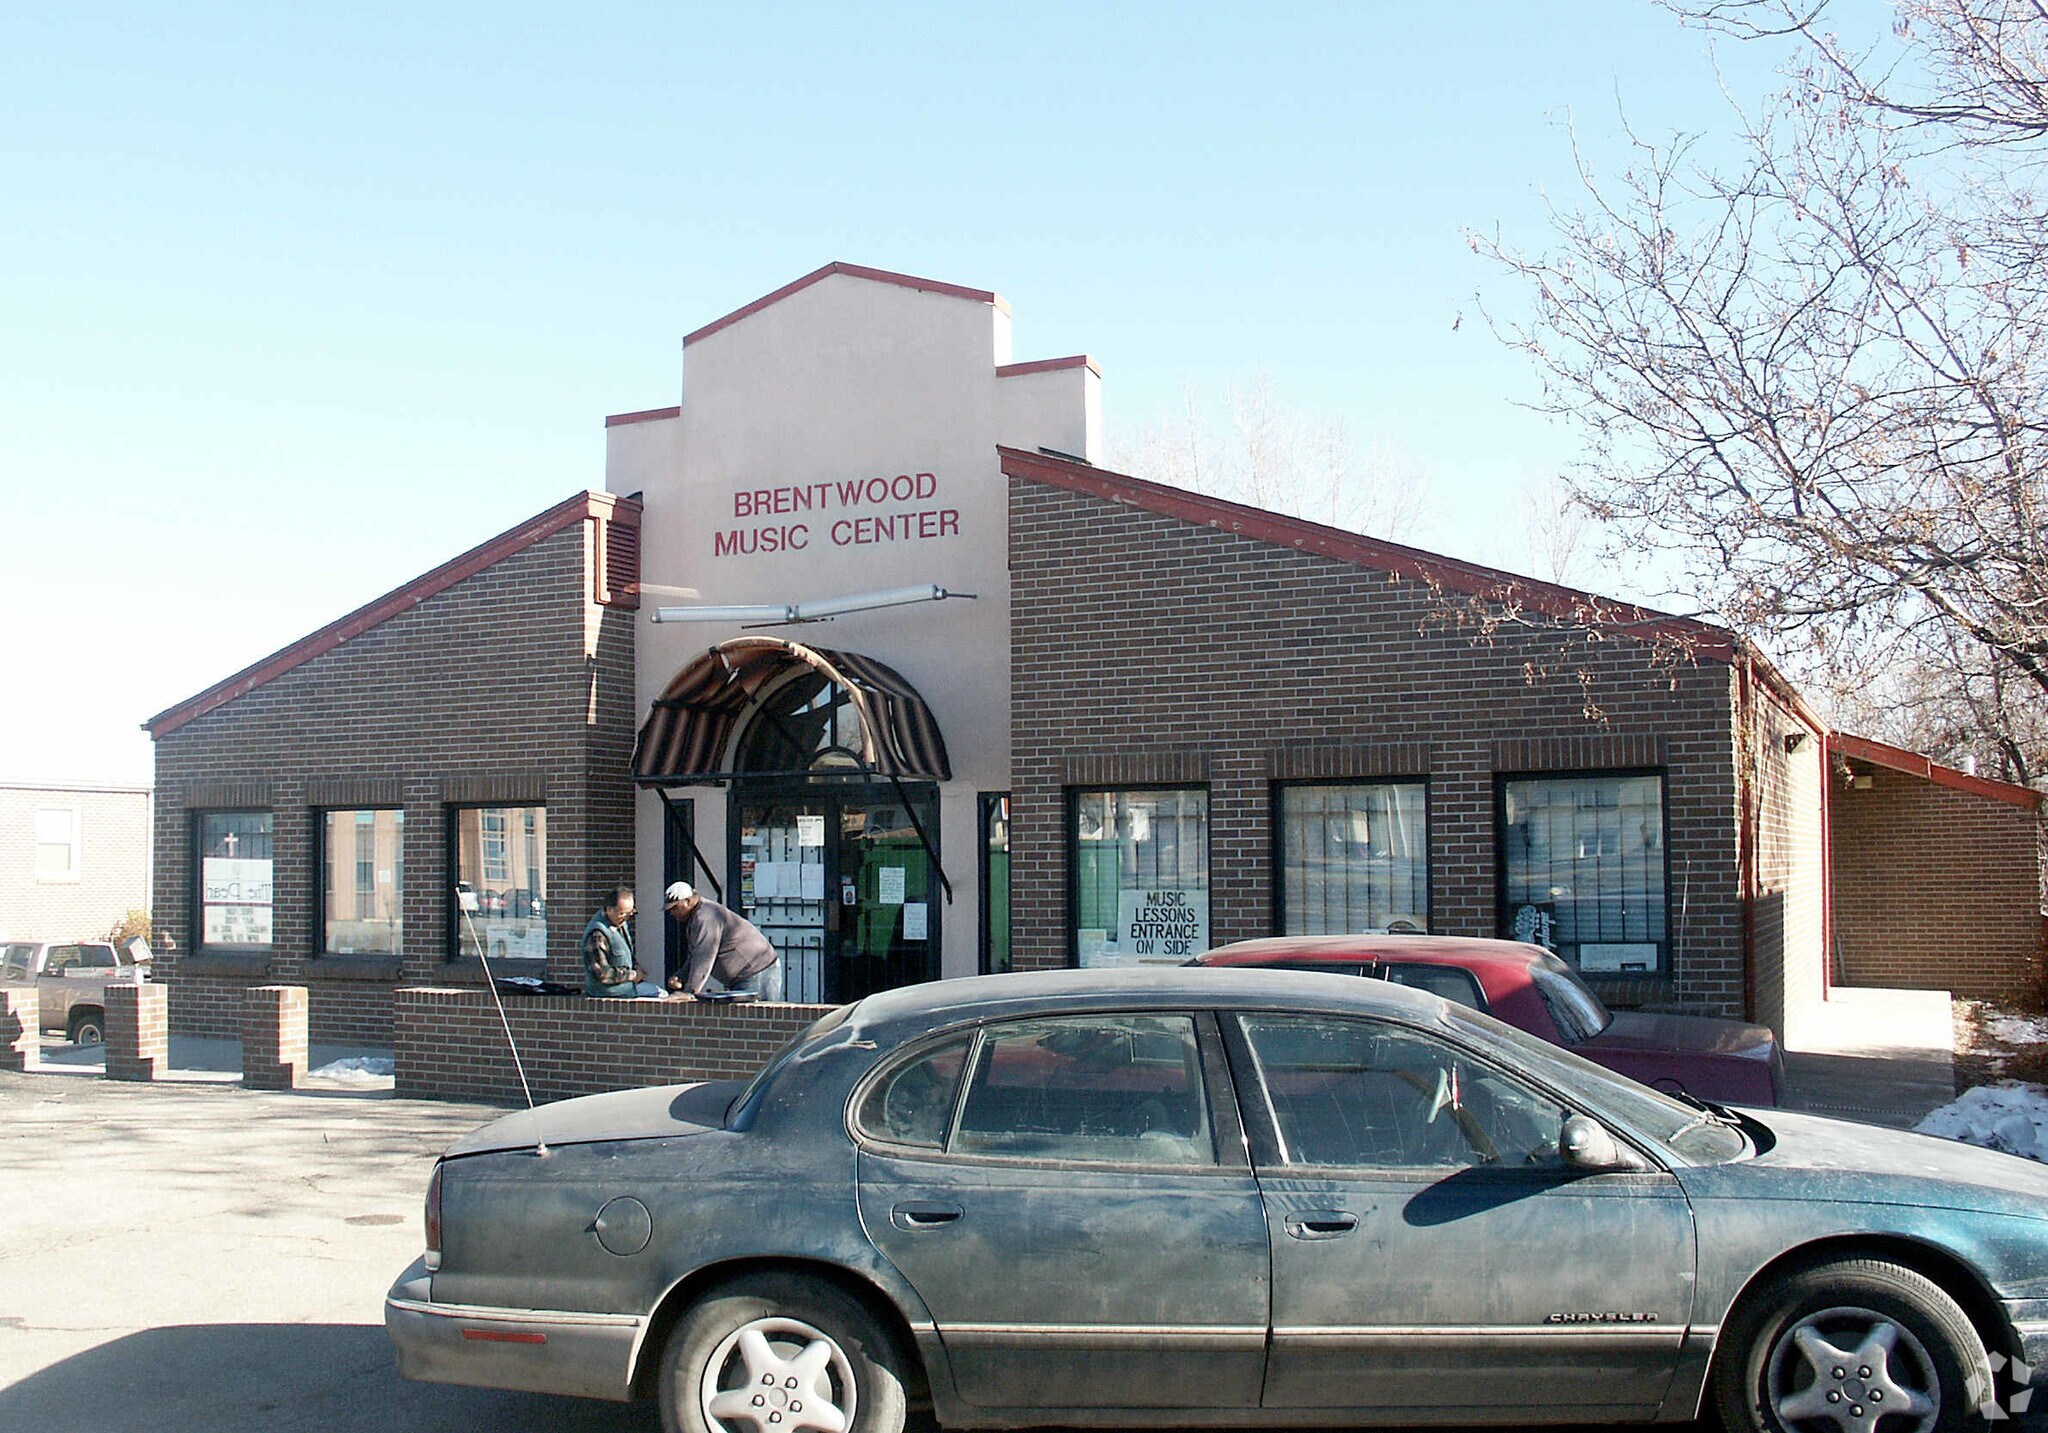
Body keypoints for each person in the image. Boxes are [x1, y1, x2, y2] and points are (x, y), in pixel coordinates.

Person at [662, 881, 782, 1000]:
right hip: (745, 975)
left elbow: (704, 956)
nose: (672, 913)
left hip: (756, 971)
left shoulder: (706, 917)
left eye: (675, 907)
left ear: (688, 901)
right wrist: (681, 976)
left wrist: (690, 992)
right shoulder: (696, 917)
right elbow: (695, 955)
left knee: (755, 1012)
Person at [583, 885, 664, 998]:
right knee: (661, 995)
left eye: (630, 913)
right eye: (622, 914)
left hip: (626, 987)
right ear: (609, 909)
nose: (625, 918)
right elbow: (602, 973)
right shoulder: (597, 933)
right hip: (608, 992)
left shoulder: (620, 925)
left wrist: (636, 967)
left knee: (659, 991)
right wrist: (633, 975)